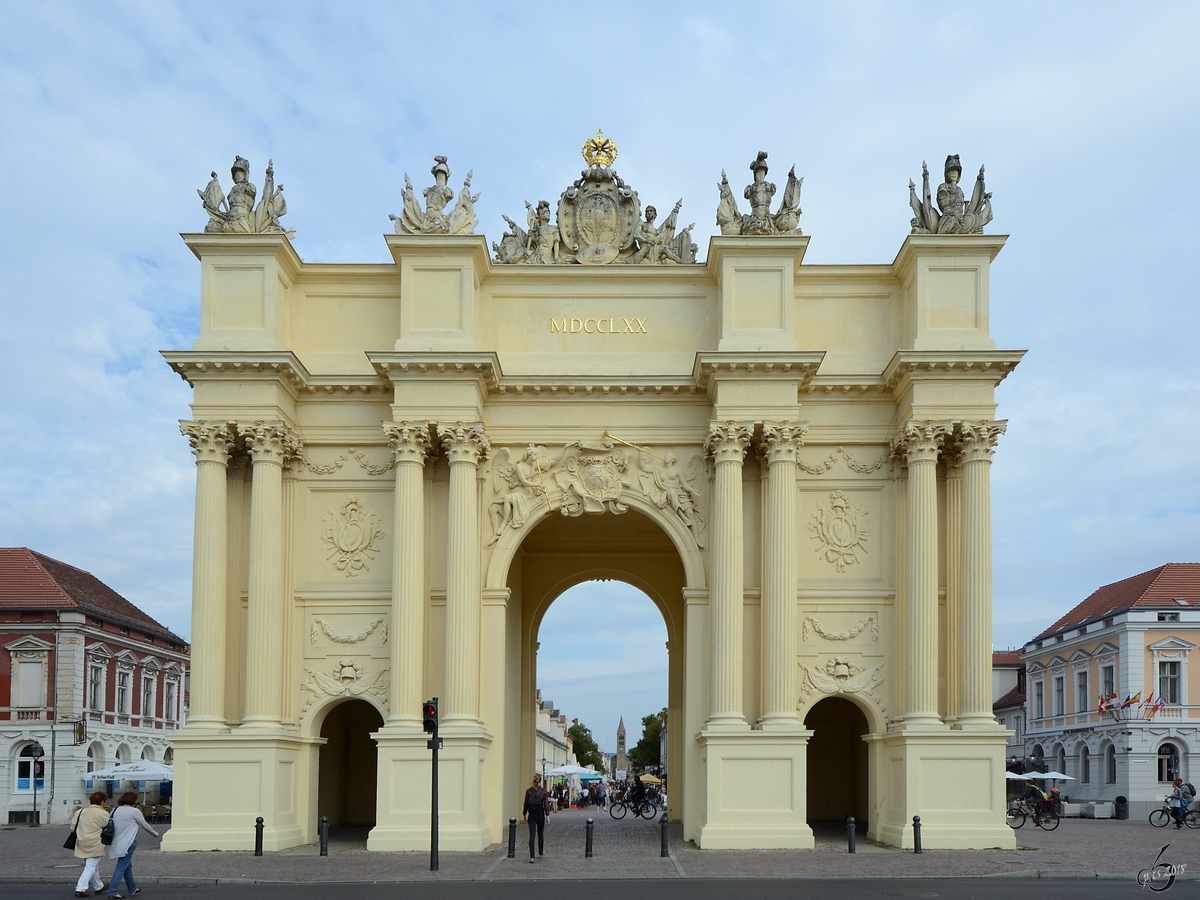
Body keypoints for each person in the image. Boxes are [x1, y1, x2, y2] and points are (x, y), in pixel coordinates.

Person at [106, 792, 160, 897]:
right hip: (129, 842)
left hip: (116, 841)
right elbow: (144, 824)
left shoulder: (114, 810)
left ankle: (132, 888)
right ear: (133, 801)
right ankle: (113, 890)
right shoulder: (134, 811)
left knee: (127, 865)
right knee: (122, 866)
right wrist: (155, 833)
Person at [72, 791, 111, 897]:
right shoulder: (103, 813)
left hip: (81, 841)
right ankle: (80, 888)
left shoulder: (80, 811)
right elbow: (108, 827)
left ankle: (99, 886)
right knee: (91, 866)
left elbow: (73, 826)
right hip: (96, 842)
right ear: (102, 802)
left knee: (92, 865)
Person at [521, 773, 550, 863]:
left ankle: (532, 856)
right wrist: (547, 815)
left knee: (532, 836)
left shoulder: (528, 791)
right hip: (540, 814)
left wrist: (524, 814)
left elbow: (525, 803)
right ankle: (540, 853)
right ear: (540, 781)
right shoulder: (543, 791)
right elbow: (546, 804)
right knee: (540, 834)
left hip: (532, 815)